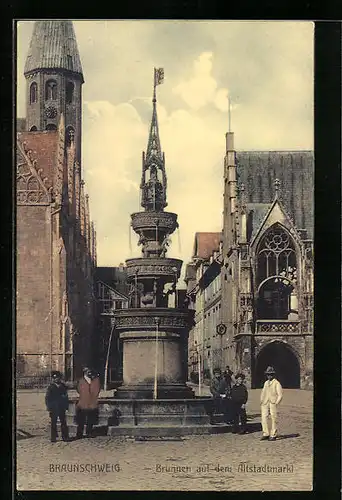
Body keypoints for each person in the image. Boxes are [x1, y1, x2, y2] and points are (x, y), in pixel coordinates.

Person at [75, 367, 101, 439]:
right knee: (81, 420)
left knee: (91, 419)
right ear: (84, 372)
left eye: (90, 371)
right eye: (87, 371)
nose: (89, 373)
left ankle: (89, 432)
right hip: (83, 403)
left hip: (92, 402)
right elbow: (78, 389)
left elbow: (97, 389)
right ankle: (79, 433)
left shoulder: (95, 380)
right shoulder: (80, 381)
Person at [45, 371, 69, 443]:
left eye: (58, 378)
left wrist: (66, 406)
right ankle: (53, 437)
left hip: (61, 407)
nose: (56, 379)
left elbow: (66, 397)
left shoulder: (63, 386)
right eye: (54, 378)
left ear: (60, 378)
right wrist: (49, 407)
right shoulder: (50, 387)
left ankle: (65, 436)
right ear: (53, 379)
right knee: (53, 423)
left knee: (63, 422)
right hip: (54, 407)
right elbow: (47, 398)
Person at [260, 366, 283, 441]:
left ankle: (273, 434)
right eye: (268, 374)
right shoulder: (266, 383)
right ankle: (265, 433)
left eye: (271, 374)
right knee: (264, 418)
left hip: (273, 402)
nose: (269, 376)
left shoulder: (276, 383)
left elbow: (280, 395)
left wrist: (276, 403)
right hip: (265, 402)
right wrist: (261, 400)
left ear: (273, 375)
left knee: (274, 418)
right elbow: (263, 392)